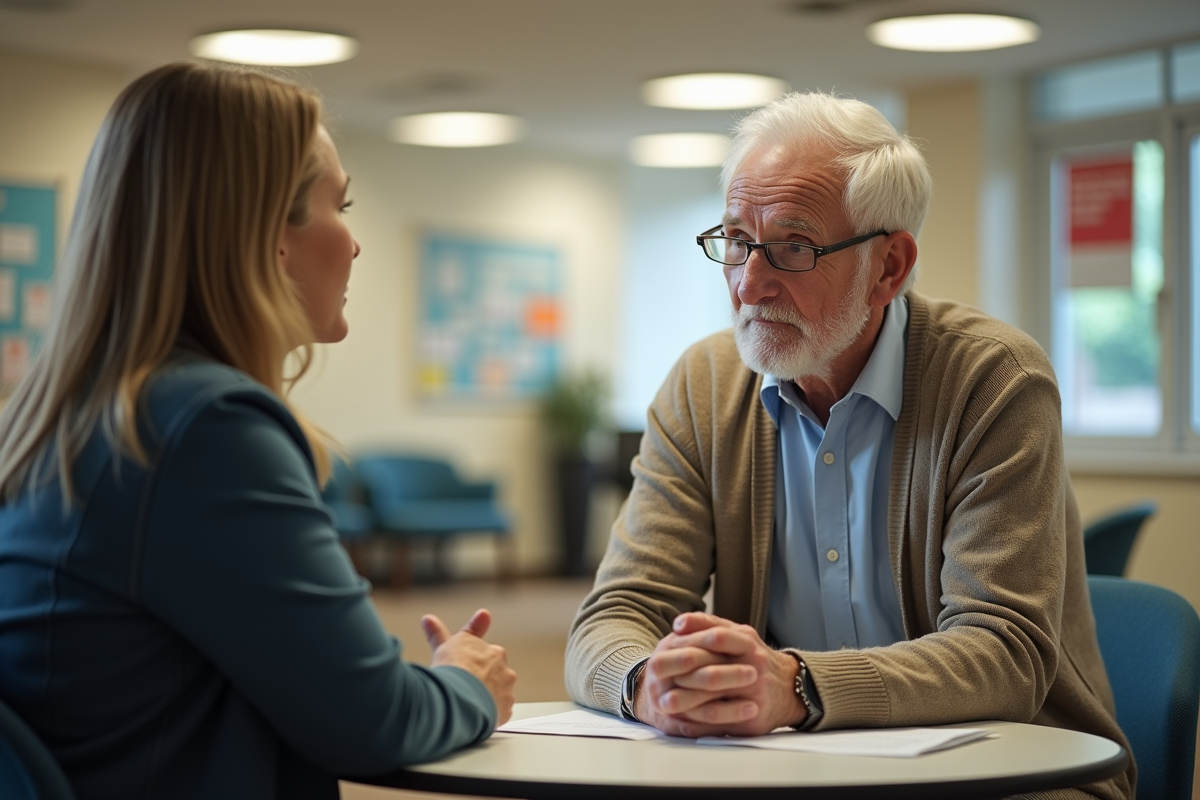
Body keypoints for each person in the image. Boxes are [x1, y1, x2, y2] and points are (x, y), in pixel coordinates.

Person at [565, 91, 1133, 800]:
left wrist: (796, 685)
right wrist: (646, 683)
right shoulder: (704, 385)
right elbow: (613, 615)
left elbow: (1003, 657)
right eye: (737, 240)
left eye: (794, 248)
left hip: (1012, 767)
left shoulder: (992, 381)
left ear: (889, 267)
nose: (749, 282)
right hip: (793, 767)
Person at [0, 61, 515, 800]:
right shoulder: (206, 430)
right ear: (271, 235)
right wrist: (467, 684)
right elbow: (369, 721)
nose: (355, 244)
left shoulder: (73, 414)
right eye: (341, 205)